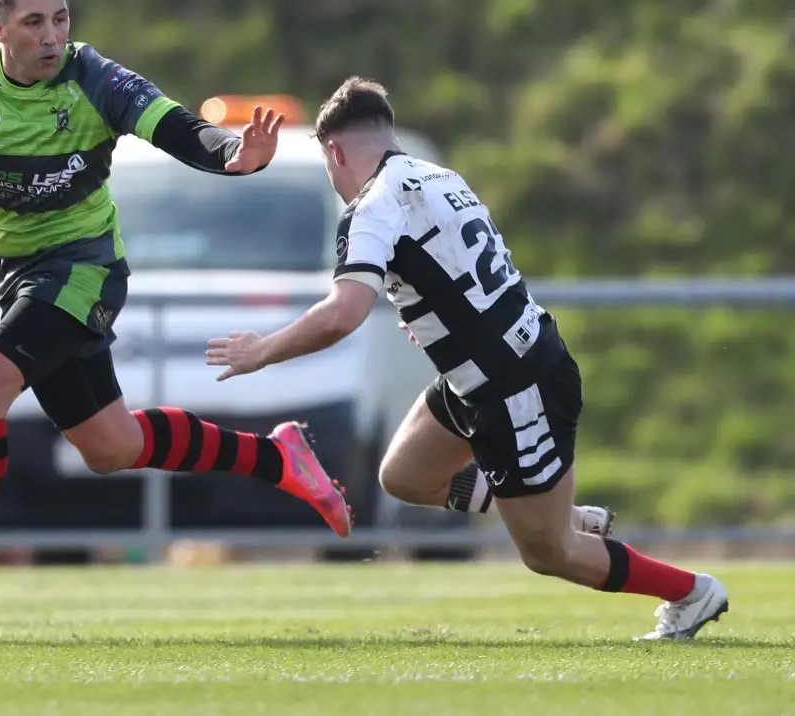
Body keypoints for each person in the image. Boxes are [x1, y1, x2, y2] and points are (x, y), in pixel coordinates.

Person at [0, 0, 352, 624]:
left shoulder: (94, 78)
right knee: (111, 447)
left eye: (60, 20)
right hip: (15, 279)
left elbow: (175, 126)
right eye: (33, 22)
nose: (51, 37)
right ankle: (279, 459)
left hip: (84, 268)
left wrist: (232, 155)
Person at [205, 77, 729, 641]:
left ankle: (690, 591)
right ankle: (555, 511)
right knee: (404, 475)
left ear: (335, 151)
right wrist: (431, 319)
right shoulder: (440, 177)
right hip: (481, 376)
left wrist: (263, 351)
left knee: (548, 553)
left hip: (515, 385)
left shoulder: (372, 206)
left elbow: (342, 314)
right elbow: (458, 274)